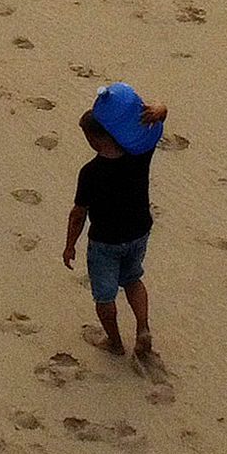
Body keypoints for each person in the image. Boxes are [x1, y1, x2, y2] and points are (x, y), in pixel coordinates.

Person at [62, 84, 169, 359]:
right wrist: (159, 109)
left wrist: (70, 246)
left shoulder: (90, 173)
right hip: (138, 231)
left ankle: (115, 343)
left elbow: (78, 214)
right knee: (133, 279)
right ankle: (142, 328)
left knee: (105, 296)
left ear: (96, 139)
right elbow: (160, 115)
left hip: (105, 242)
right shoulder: (139, 155)